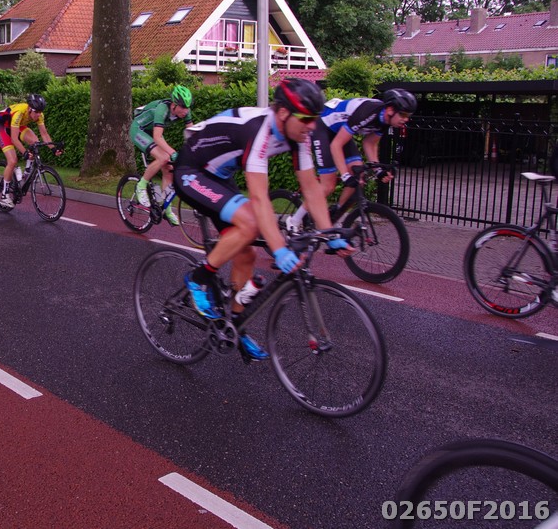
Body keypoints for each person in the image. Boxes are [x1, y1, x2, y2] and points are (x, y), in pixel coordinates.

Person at [173, 78, 354, 361]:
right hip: (191, 171)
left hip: (220, 176)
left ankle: (235, 325)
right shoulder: (259, 131)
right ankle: (198, 279)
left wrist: (330, 233)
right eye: (306, 119)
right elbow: (259, 199)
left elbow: (311, 187)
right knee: (251, 223)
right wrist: (280, 250)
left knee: (246, 254)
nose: (312, 126)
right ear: (283, 113)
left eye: (314, 119)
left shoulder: (298, 136)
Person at [291, 88, 418, 228]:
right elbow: (336, 145)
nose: (406, 119)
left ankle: (335, 216)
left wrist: (378, 171)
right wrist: (345, 175)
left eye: (408, 115)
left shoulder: (385, 121)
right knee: (328, 186)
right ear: (390, 110)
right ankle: (294, 221)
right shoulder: (368, 113)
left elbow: (369, 143)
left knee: (358, 178)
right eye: (403, 114)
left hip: (339, 132)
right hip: (323, 128)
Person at [129, 84, 193, 225]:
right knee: (164, 157)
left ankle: (167, 210)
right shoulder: (162, 109)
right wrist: (173, 152)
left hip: (153, 132)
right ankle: (141, 186)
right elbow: (157, 137)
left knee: (169, 169)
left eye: (188, 107)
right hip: (139, 130)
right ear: (174, 105)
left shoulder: (186, 111)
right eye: (183, 107)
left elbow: (191, 133)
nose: (185, 111)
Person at [0, 93, 61, 208]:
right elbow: (14, 139)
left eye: (40, 112)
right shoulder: (19, 113)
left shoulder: (39, 115)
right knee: (12, 161)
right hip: (3, 127)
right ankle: (4, 196)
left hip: (18, 126)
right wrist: (25, 152)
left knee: (35, 142)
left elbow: (44, 134)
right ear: (29, 108)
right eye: (36, 112)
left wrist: (53, 149)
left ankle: (26, 172)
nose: (38, 115)